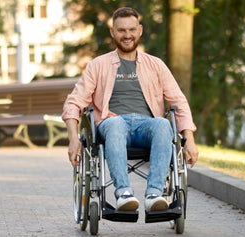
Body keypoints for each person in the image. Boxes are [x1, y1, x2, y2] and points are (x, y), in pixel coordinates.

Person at [62, 7, 199, 213]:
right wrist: (73, 139)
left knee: (163, 123)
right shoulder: (97, 66)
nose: (127, 35)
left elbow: (179, 101)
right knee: (115, 123)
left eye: (132, 29)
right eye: (121, 30)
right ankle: (124, 194)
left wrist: (189, 139)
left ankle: (154, 194)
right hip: (113, 123)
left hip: (147, 126)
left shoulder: (156, 65)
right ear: (112, 32)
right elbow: (74, 103)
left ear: (140, 30)